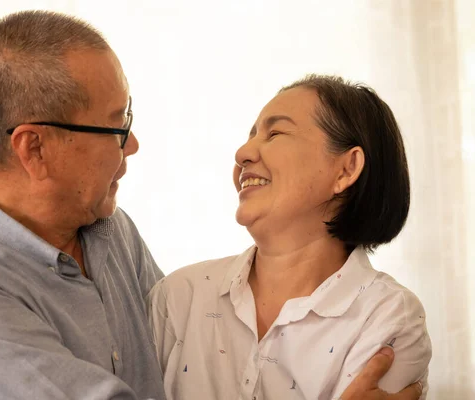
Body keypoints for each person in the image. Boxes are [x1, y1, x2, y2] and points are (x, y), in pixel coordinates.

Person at [0, 10, 423, 400]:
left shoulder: (111, 234)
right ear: (34, 148)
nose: (133, 144)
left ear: (346, 169)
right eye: (115, 125)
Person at [148, 75, 432, 400]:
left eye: (275, 133)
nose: (242, 153)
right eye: (250, 135)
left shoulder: (389, 317)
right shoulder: (178, 297)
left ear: (346, 169)